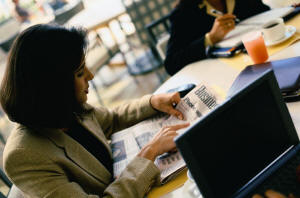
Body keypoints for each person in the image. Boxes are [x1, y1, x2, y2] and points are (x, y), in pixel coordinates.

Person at [0, 24, 189, 198]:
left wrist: (152, 102)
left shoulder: (64, 109)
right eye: (80, 72)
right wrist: (148, 154)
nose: (91, 75)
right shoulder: (23, 156)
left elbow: (112, 119)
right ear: (54, 86)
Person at [164, 0, 270, 75]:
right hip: (224, 73)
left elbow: (267, 14)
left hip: (265, 54)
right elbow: (172, 64)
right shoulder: (183, 13)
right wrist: (210, 39)